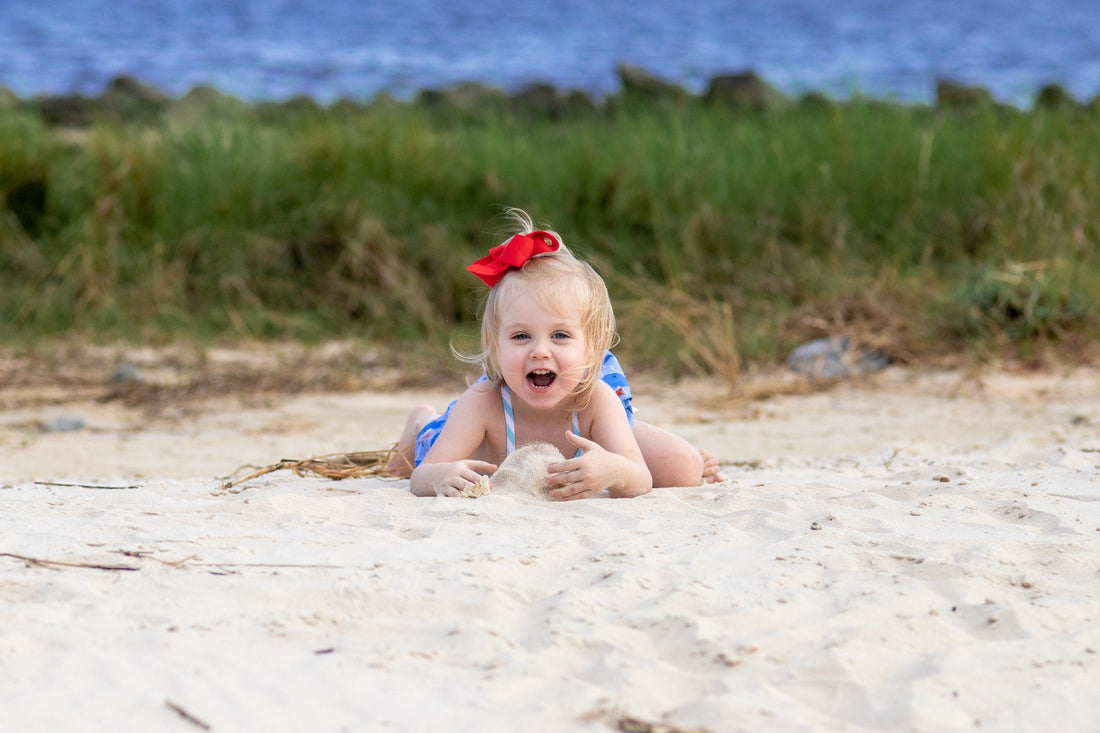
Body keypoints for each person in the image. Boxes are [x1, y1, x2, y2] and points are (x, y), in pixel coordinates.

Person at [386, 209, 722, 499]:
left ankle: (643, 439)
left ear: (593, 347)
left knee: (676, 467)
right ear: (494, 344)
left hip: (598, 413)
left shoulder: (596, 400)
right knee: (422, 449)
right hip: (448, 442)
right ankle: (420, 423)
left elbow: (640, 477)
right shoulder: (484, 401)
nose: (540, 351)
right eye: (521, 336)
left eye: (560, 335)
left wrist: (612, 471)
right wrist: (441, 476)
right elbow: (422, 476)